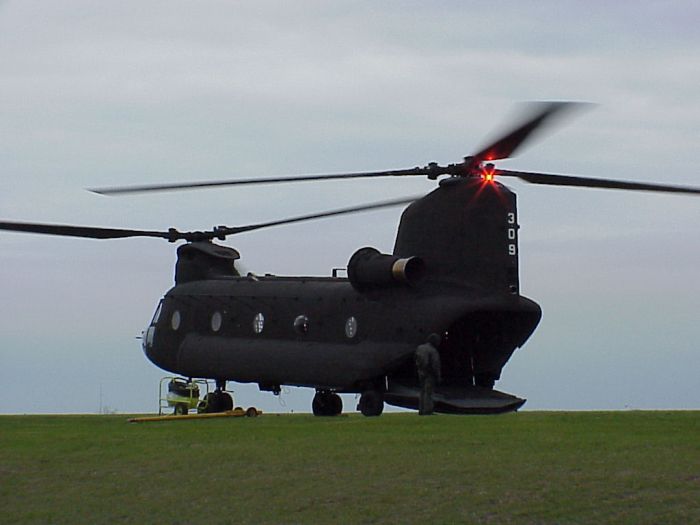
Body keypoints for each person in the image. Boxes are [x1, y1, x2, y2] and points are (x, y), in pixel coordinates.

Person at [415, 333, 442, 415]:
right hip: (430, 373)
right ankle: (428, 410)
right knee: (428, 393)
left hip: (421, 372)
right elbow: (435, 364)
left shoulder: (420, 348)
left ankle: (421, 409)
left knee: (422, 392)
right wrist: (438, 376)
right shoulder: (433, 351)